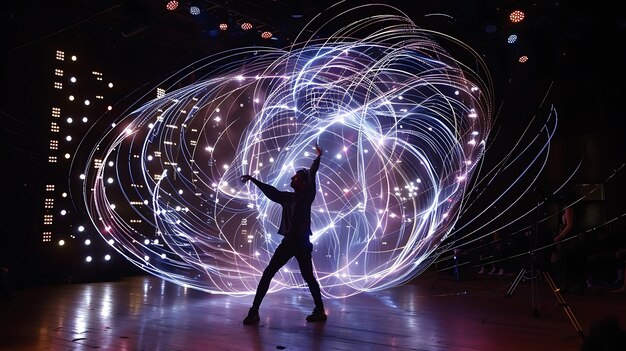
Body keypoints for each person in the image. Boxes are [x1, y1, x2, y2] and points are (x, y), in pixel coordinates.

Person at [240, 144, 327, 325]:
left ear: (304, 182)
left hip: (300, 242)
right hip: (291, 242)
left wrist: (317, 159)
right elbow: (272, 192)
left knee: (300, 276)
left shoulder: (307, 195)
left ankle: (255, 311)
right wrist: (253, 180)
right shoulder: (288, 198)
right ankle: (255, 311)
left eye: (296, 177)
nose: (292, 178)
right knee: (276, 274)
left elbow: (312, 174)